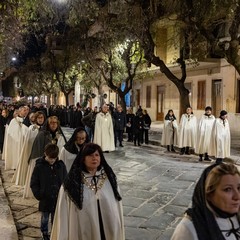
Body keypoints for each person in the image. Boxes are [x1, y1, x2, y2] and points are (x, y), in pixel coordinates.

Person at [50, 143, 125, 240]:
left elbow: (116, 206)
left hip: (107, 228)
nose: (94, 158)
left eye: (97, 155)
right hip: (83, 229)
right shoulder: (72, 182)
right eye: (90, 155)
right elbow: (64, 215)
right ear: (83, 158)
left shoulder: (109, 179)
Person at [171, 163, 240, 240]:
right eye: (227, 189)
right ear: (209, 194)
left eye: (239, 188)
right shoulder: (189, 228)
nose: (237, 197)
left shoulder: (237, 218)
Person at [30, 143, 67, 240]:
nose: (52, 160)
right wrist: (39, 194)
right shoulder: (39, 167)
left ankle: (54, 232)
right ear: (45, 154)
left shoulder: (60, 166)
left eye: (54, 158)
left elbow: (65, 180)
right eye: (50, 158)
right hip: (45, 198)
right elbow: (34, 182)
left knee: (56, 218)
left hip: (57, 197)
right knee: (45, 218)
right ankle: (44, 232)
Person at [24, 116, 66, 198]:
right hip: (44, 163)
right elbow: (38, 150)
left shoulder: (60, 134)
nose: (53, 125)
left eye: (55, 123)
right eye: (51, 123)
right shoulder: (42, 134)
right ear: (48, 124)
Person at [12, 111, 46, 186]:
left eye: (42, 118)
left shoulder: (45, 129)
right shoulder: (32, 128)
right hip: (33, 153)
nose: (40, 120)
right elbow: (29, 141)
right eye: (38, 118)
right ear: (36, 119)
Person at [3, 105, 29, 170]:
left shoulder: (27, 120)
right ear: (20, 112)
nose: (26, 112)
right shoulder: (14, 121)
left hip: (24, 142)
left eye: (26, 110)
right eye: (24, 110)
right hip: (16, 143)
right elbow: (11, 133)